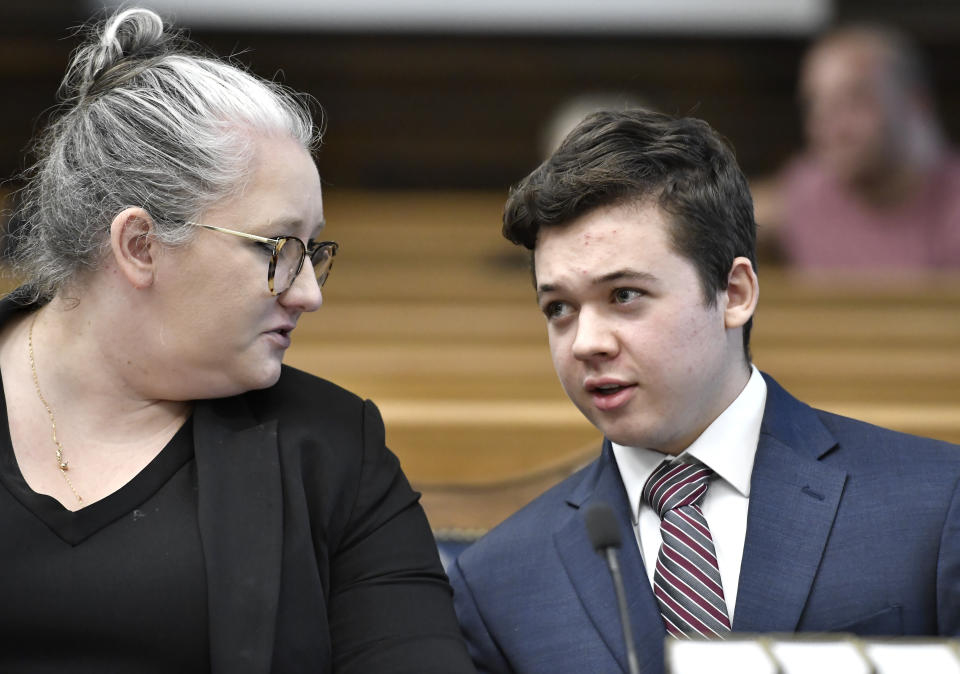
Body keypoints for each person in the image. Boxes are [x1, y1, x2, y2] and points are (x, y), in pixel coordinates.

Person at [0, 8, 475, 673]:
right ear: (139, 246)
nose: (309, 292)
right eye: (278, 249)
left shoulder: (335, 448)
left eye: (314, 252)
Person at [448, 108, 960, 673]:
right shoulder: (498, 580)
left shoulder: (934, 505)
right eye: (559, 309)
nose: (585, 343)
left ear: (735, 293)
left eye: (624, 295)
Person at [753, 24, 960, 269]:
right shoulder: (808, 192)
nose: (830, 128)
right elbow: (715, 220)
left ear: (917, 104)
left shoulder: (951, 203)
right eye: (815, 105)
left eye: (855, 100)